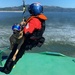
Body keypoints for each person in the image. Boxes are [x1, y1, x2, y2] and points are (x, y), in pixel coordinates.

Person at [0, 2, 47, 74]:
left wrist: (21, 26)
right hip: (33, 41)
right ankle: (13, 63)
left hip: (27, 41)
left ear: (33, 10)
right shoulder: (39, 19)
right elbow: (34, 28)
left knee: (14, 53)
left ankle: (6, 69)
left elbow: (26, 32)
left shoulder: (34, 20)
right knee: (20, 53)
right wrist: (25, 24)